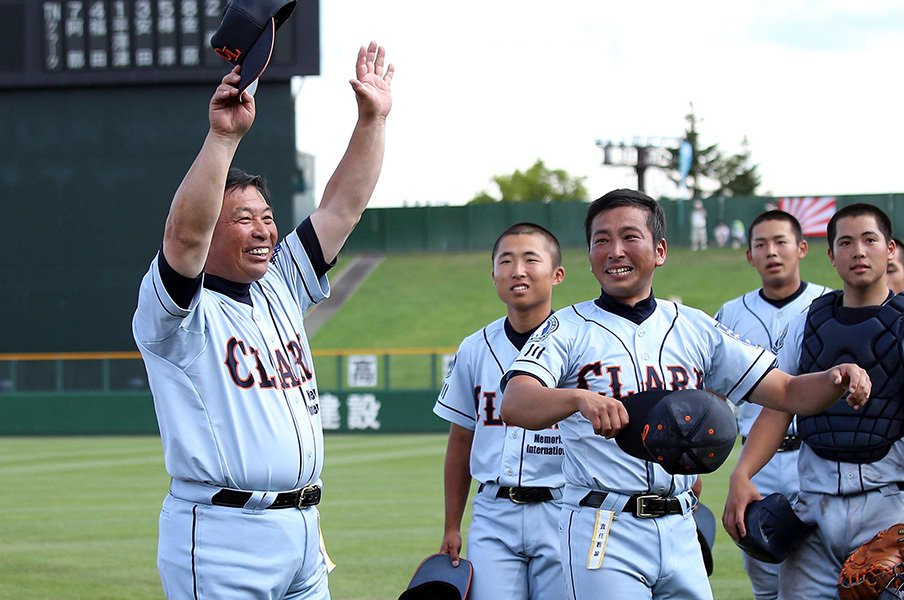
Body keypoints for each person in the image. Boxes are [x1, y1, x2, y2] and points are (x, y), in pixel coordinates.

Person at [498, 189, 871, 600]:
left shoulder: (695, 327)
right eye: (601, 240)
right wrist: (577, 399)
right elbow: (516, 402)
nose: (614, 251)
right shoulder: (566, 327)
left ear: (659, 251)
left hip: (680, 525)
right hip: (603, 524)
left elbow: (785, 390)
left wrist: (835, 379)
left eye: (629, 237)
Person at [132, 42, 393, 599]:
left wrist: (372, 119)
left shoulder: (280, 283)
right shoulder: (176, 314)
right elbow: (184, 237)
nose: (263, 231)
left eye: (268, 218)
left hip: (303, 530)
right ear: (213, 229)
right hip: (223, 533)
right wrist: (223, 138)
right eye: (243, 219)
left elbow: (342, 207)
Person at [723, 203, 904, 599]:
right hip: (813, 510)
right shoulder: (808, 321)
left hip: (889, 510)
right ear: (831, 255)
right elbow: (780, 403)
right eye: (846, 242)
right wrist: (742, 475)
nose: (858, 251)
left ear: (890, 249)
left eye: (869, 240)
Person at [434, 223, 567, 599]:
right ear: (493, 274)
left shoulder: (580, 341)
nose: (517, 270)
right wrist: (451, 525)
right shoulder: (476, 348)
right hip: (494, 511)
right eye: (505, 261)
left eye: (530, 259)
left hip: (562, 507)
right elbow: (461, 441)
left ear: (557, 274)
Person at [714, 210, 831, 600]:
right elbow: (712, 399)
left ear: (802, 248)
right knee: (763, 577)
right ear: (749, 256)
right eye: (760, 244)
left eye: (781, 242)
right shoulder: (729, 315)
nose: (771, 252)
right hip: (756, 458)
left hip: (815, 456)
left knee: (824, 576)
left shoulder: (828, 305)